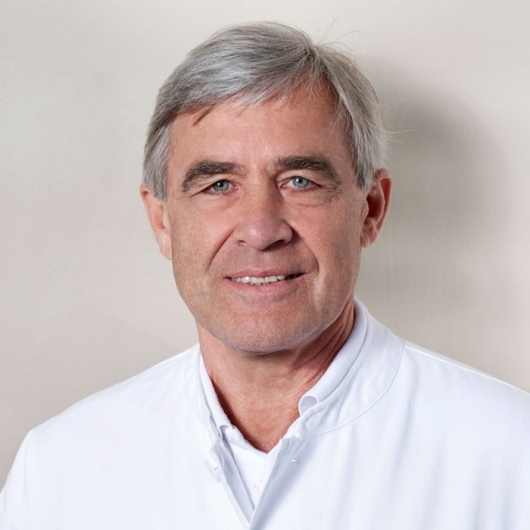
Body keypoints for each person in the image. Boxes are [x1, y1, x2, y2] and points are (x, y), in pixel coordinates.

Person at [1, 22, 529, 530]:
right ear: (162, 221)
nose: (260, 230)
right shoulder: (57, 470)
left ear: (370, 209)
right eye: (218, 185)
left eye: (300, 180)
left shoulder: (510, 451)